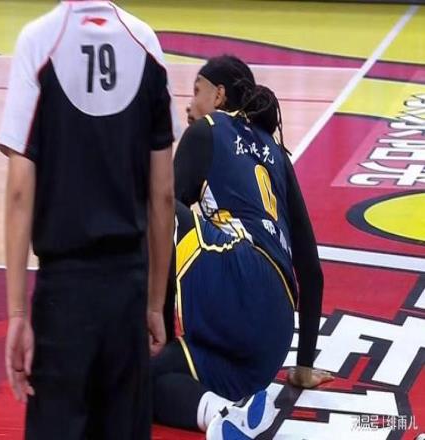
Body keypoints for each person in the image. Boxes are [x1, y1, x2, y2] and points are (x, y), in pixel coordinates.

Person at [0, 1, 176, 439]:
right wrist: (155, 304)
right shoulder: (146, 44)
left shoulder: (38, 41)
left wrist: (17, 312)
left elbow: (19, 191)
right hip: (127, 287)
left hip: (64, 292)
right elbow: (164, 197)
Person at [151, 55, 333, 440]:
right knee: (141, 380)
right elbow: (311, 270)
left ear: (219, 96)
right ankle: (222, 414)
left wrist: (160, 326)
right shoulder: (278, 154)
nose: (189, 104)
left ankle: (158, 341)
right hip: (272, 338)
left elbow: (164, 220)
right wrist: (302, 365)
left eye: (196, 91)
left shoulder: (207, 130)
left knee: (157, 203)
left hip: (237, 283)